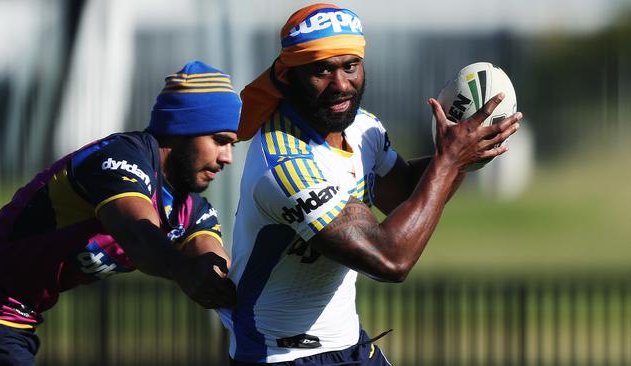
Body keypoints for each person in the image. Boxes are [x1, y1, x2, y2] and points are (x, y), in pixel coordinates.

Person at [218, 3, 522, 365]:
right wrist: (451, 159)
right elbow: (390, 259)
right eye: (321, 70)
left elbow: (410, 194)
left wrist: (467, 150)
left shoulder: (364, 128)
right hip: (280, 356)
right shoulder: (284, 162)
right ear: (289, 76)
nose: (341, 84)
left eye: (350, 65)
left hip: (353, 347)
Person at [0, 60, 240, 365]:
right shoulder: (118, 159)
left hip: (12, 321)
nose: (228, 158)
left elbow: (218, 266)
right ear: (183, 128)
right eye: (220, 141)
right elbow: (139, 235)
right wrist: (183, 269)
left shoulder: (190, 209)